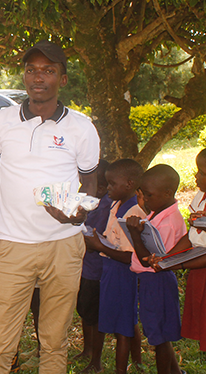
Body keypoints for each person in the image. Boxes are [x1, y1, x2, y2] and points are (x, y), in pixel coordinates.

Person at [0, 40, 100, 374]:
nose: (38, 77)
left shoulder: (81, 128)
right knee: (0, 343)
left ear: (63, 78)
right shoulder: (2, 122)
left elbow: (90, 184)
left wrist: (78, 213)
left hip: (63, 245)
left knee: (55, 342)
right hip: (14, 244)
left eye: (48, 70)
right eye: (31, 70)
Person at [84, 159, 145, 374]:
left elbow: (129, 257)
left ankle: (123, 369)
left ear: (129, 184)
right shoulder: (115, 204)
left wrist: (99, 246)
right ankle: (99, 363)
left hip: (123, 274)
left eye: (111, 184)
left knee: (124, 328)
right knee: (112, 319)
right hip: (109, 271)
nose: (108, 188)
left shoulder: (133, 213)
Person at [126, 164, 185, 374]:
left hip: (158, 281)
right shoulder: (158, 213)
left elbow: (150, 262)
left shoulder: (168, 223)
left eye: (149, 195)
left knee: (160, 337)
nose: (145, 200)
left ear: (167, 193)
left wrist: (135, 234)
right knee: (161, 333)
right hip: (153, 282)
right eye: (142, 194)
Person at [146, 149, 206, 352]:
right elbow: (192, 237)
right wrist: (167, 257)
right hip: (199, 272)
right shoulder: (200, 197)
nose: (196, 176)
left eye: (203, 173)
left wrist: (175, 265)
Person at [74, 160, 110, 372]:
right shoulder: (90, 200)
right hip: (84, 267)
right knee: (85, 310)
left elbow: (97, 236)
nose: (82, 187)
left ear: (102, 188)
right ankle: (87, 350)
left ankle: (96, 360)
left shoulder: (105, 207)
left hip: (96, 270)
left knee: (95, 315)